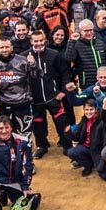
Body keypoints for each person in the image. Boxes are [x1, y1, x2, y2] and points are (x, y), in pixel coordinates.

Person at [27, 27, 71, 157]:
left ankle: (66, 144)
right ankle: (42, 145)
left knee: (62, 121)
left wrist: (62, 91)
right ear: (31, 41)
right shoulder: (24, 56)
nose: (39, 43)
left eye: (41, 40)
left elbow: (64, 73)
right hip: (35, 99)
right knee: (38, 123)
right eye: (36, 41)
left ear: (45, 40)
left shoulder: (53, 54)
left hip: (53, 96)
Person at [0, 37, 34, 138]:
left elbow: (37, 76)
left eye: (7, 47)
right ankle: (6, 152)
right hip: (3, 104)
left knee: (24, 133)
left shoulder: (22, 61)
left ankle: (23, 152)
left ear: (12, 48)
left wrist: (33, 64)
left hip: (22, 102)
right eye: (2, 47)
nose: (4, 50)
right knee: (3, 133)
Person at [65, 98, 106, 180]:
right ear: (83, 110)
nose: (89, 112)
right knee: (71, 152)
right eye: (86, 109)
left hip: (98, 151)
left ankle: (98, 164)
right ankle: (88, 165)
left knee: (105, 176)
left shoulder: (102, 121)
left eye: (91, 109)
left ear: (96, 109)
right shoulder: (84, 120)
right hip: (86, 147)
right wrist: (68, 132)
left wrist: (103, 158)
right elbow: (76, 137)